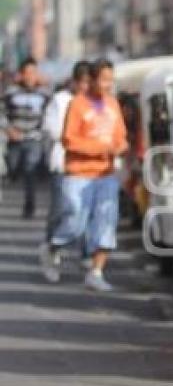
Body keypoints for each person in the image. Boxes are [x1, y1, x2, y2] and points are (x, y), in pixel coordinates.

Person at [40, 59, 127, 292]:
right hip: (79, 173)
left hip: (106, 174)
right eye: (103, 80)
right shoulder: (77, 104)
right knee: (75, 222)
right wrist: (100, 149)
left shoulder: (112, 104)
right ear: (92, 80)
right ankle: (53, 247)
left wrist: (119, 146)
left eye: (111, 80)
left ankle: (96, 272)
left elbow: (120, 135)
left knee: (106, 222)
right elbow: (69, 139)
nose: (108, 85)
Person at [42, 61, 91, 250]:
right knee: (61, 209)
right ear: (75, 82)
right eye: (84, 82)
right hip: (63, 164)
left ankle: (86, 255)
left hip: (88, 165)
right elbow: (52, 129)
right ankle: (51, 247)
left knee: (85, 211)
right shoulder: (60, 100)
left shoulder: (94, 102)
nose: (86, 87)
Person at [1, 57, 50, 218]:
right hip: (14, 138)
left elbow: (50, 115)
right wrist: (9, 129)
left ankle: (29, 206)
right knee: (12, 169)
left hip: (33, 139)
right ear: (21, 74)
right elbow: (2, 112)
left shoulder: (44, 93)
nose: (30, 76)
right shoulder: (11, 92)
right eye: (27, 73)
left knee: (30, 170)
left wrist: (40, 132)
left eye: (33, 73)